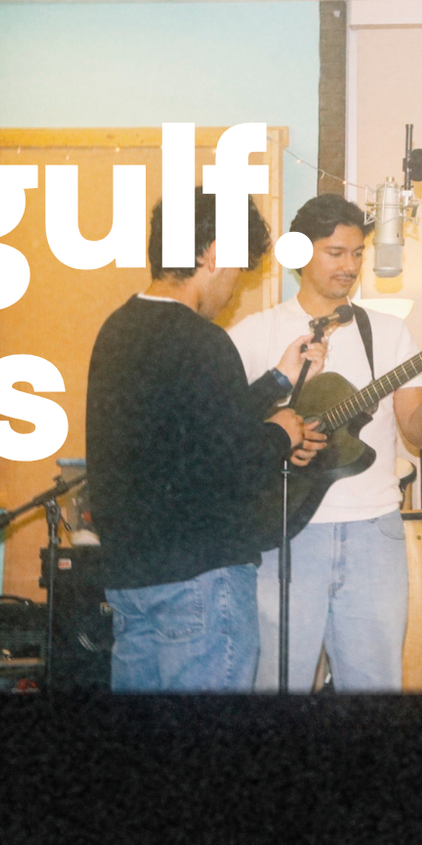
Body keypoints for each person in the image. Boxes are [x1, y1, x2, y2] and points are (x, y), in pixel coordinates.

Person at [87, 191, 328, 692]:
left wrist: (279, 380)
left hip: (132, 582)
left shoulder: (117, 329)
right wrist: (280, 435)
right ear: (212, 254)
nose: (235, 286)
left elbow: (187, 436)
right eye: (237, 267)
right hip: (202, 582)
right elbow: (230, 464)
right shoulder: (203, 339)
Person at [226, 193, 422, 693]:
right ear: (300, 253)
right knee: (276, 685)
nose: (349, 266)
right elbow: (224, 434)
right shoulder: (255, 334)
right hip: (284, 533)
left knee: (375, 685)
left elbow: (418, 434)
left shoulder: (389, 332)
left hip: (375, 530)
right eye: (336, 252)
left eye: (357, 254)